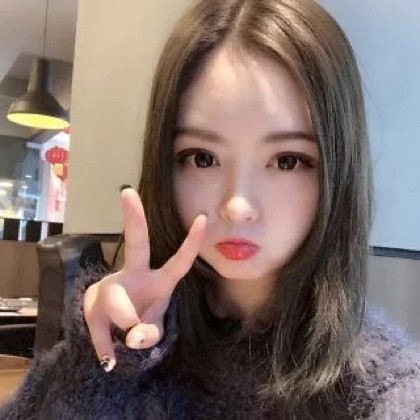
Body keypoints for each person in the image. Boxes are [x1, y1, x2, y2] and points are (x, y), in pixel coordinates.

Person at [2, 0, 420, 418]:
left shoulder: (385, 388)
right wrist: (100, 362)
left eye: (287, 160)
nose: (237, 206)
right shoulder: (133, 342)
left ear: (337, 171)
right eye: (203, 158)